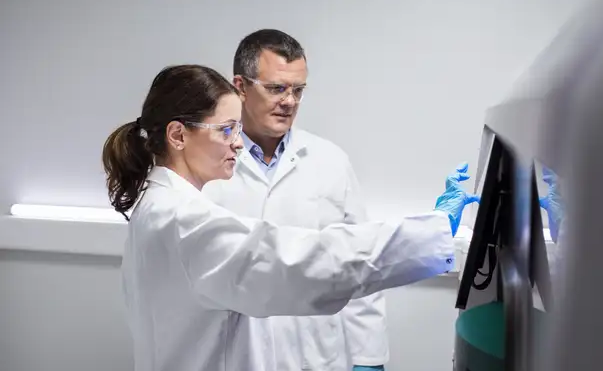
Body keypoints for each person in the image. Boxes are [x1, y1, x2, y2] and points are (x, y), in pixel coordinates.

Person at [102, 64, 479, 371]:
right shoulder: (181, 220)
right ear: (178, 135)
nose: (237, 141)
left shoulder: (161, 206)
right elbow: (298, 264)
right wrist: (431, 232)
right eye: (226, 129)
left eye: (237, 128)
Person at [201, 29, 479, 371]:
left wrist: (369, 357)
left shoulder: (329, 160)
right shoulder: (206, 165)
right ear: (240, 87)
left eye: (298, 90)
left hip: (314, 355)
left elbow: (360, 262)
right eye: (276, 88)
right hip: (234, 355)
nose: (289, 101)